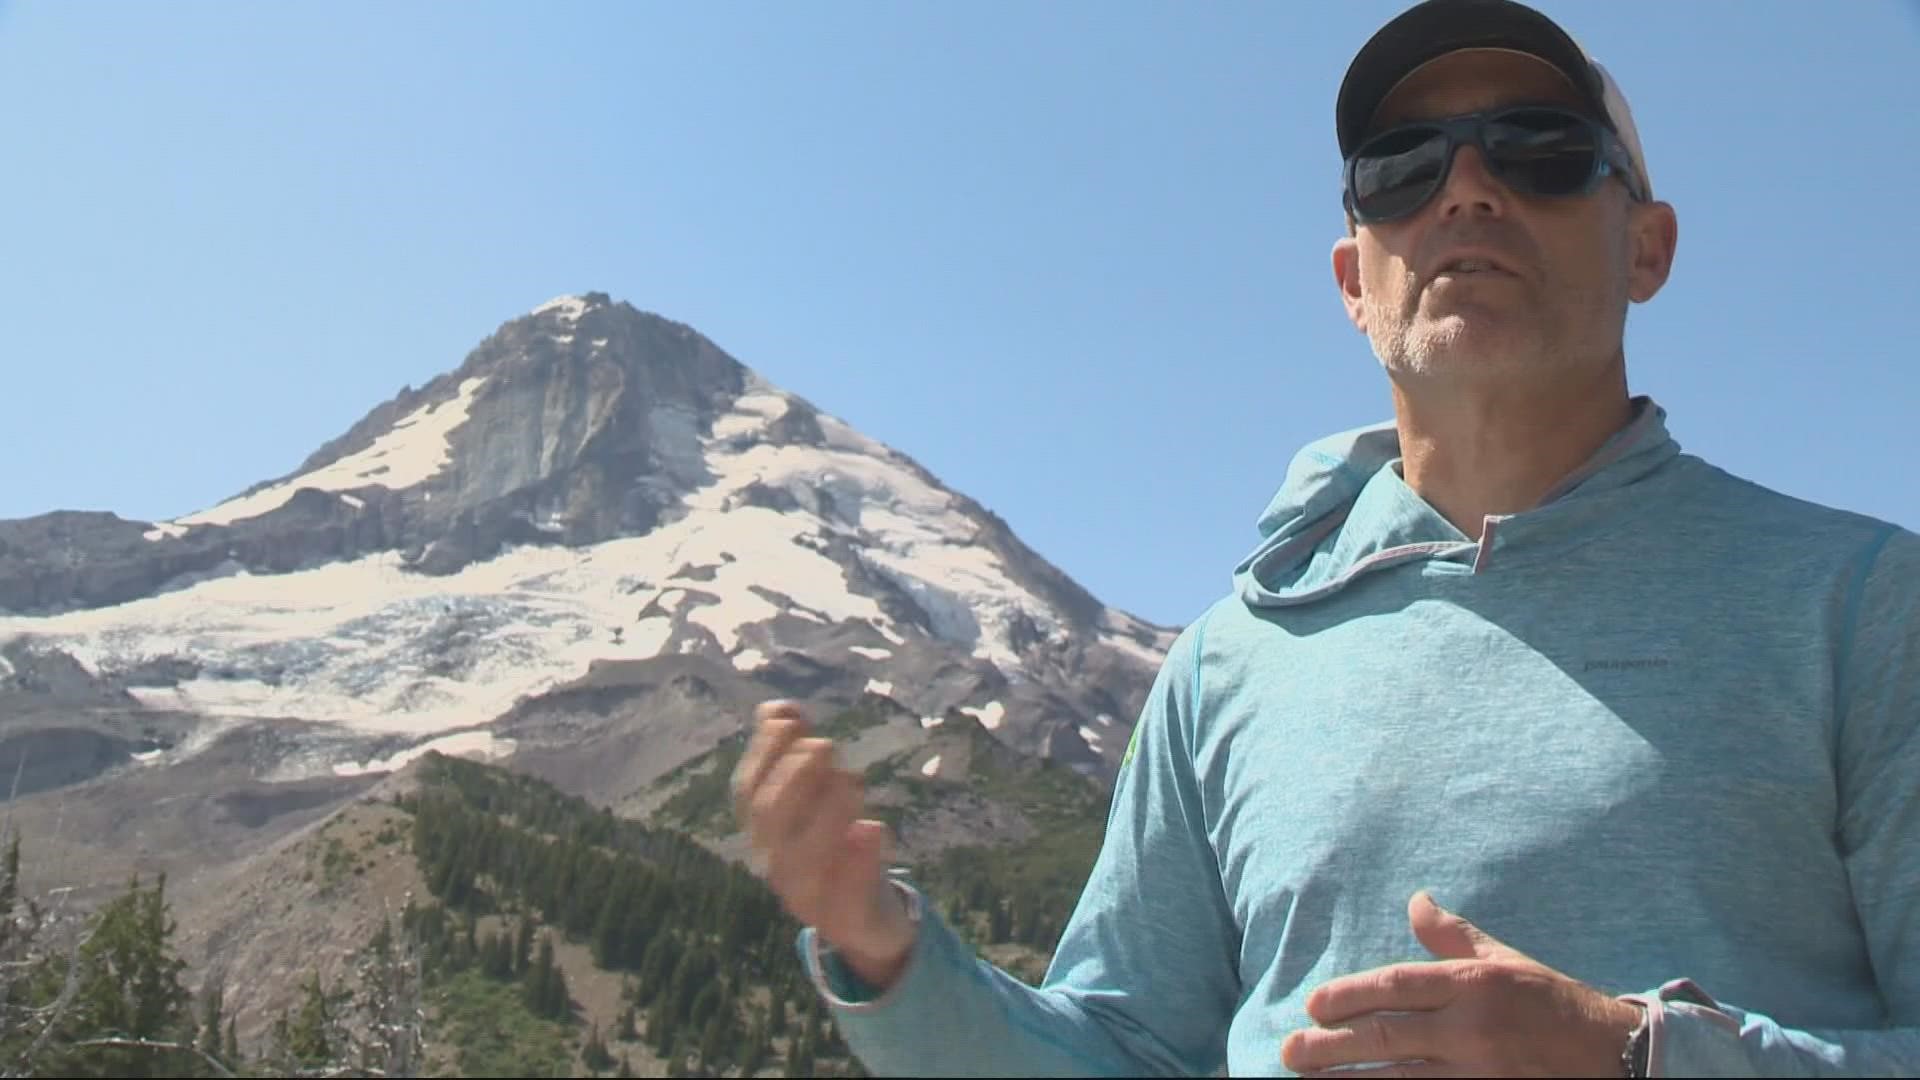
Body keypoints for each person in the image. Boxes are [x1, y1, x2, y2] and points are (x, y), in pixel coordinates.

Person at [731, 0, 1920, 1075]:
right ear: (1356, 280)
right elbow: (1126, 1049)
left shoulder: (1863, 605)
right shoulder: (1227, 664)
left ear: (1648, 247)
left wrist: (1638, 1057)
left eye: (1540, 151)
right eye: (1402, 168)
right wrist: (892, 963)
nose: (1465, 192)